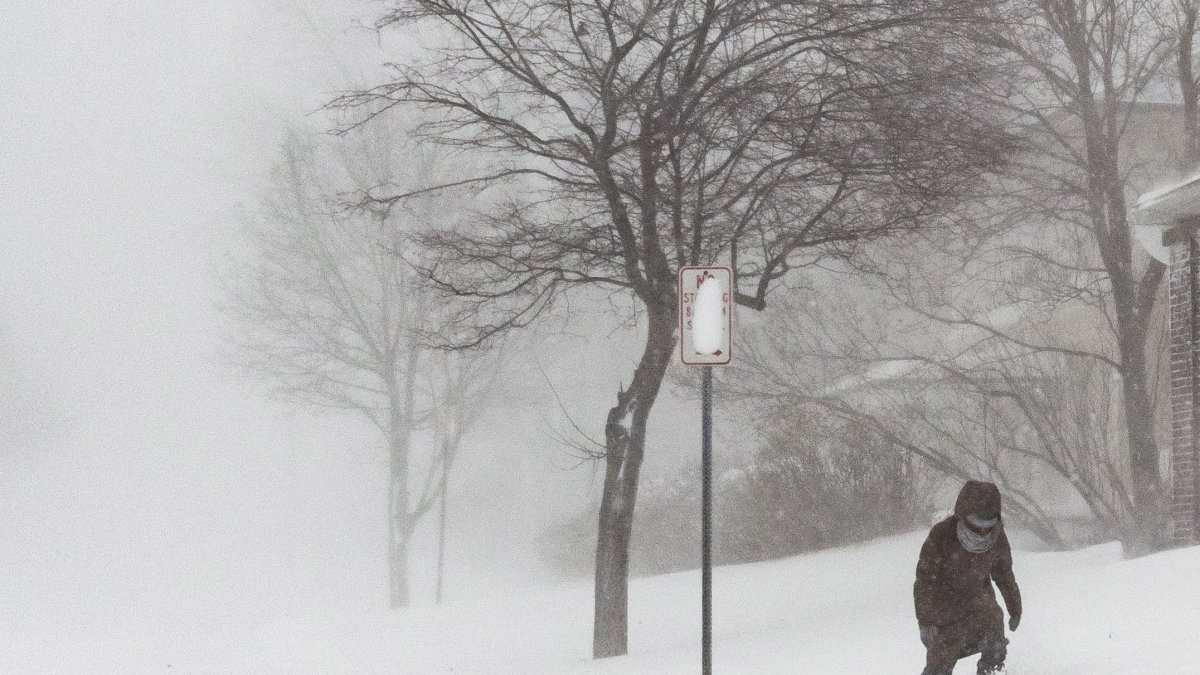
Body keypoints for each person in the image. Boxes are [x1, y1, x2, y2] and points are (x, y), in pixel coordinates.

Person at [914, 480, 1022, 675]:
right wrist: (926, 621)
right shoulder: (942, 535)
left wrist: (1015, 608)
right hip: (943, 605)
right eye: (976, 523)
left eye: (988, 523)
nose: (982, 531)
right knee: (941, 661)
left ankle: (991, 671)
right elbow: (924, 583)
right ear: (962, 516)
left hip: (980, 601)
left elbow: (1004, 573)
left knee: (995, 640)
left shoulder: (997, 536)